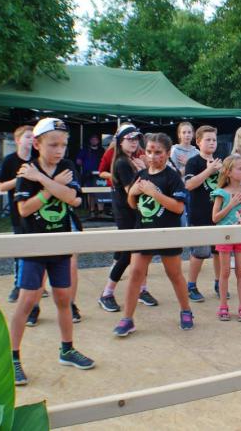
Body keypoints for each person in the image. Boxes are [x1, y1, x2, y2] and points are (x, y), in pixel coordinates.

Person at [11, 118, 95, 386]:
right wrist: (51, 186)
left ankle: (67, 349)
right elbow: (24, 209)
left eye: (64, 145)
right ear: (37, 144)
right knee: (27, 301)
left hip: (60, 244)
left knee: (63, 298)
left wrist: (42, 181)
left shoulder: (67, 167)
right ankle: (12, 358)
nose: (59, 150)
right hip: (34, 245)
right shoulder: (26, 171)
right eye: (53, 145)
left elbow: (73, 199)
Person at [113, 133, 195, 337]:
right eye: (149, 151)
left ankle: (186, 311)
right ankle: (127, 319)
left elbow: (178, 208)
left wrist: (154, 193)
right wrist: (132, 194)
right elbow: (134, 205)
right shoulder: (140, 174)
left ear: (167, 154)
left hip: (167, 232)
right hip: (143, 231)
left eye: (158, 152)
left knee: (174, 274)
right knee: (134, 275)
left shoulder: (173, 177)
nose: (152, 156)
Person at [98, 125, 158, 313]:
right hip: (126, 213)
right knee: (126, 255)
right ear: (120, 141)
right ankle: (107, 293)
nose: (133, 142)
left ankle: (142, 289)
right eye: (129, 139)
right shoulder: (122, 162)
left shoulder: (132, 159)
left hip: (137, 212)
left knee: (144, 253)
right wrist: (144, 171)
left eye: (135, 139)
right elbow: (131, 191)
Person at [211, 155, 241, 321]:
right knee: (224, 273)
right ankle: (223, 306)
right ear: (229, 172)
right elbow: (215, 218)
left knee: (240, 272)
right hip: (224, 237)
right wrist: (231, 205)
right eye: (240, 168)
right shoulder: (221, 193)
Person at [184, 126, 223, 302]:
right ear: (198, 142)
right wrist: (209, 171)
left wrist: (223, 172)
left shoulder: (220, 162)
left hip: (219, 215)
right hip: (199, 215)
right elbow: (189, 185)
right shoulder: (194, 162)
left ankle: (218, 283)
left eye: (214, 139)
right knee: (200, 252)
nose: (212, 142)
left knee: (218, 252)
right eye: (208, 139)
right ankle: (191, 285)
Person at [0, 126, 36, 303]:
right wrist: (21, 178)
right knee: (20, 251)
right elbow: (1, 186)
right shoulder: (10, 160)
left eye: (33, 137)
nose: (31, 139)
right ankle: (18, 285)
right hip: (17, 212)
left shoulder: (38, 160)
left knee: (38, 250)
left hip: (37, 212)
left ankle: (35, 284)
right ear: (18, 140)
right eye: (28, 136)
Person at [76, 134, 105, 218]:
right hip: (88, 175)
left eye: (95, 139)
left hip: (100, 175)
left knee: (101, 192)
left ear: (98, 141)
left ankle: (101, 211)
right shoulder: (85, 150)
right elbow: (78, 161)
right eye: (92, 139)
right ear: (90, 141)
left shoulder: (102, 150)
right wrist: (85, 165)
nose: (94, 141)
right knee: (90, 193)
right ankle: (91, 211)